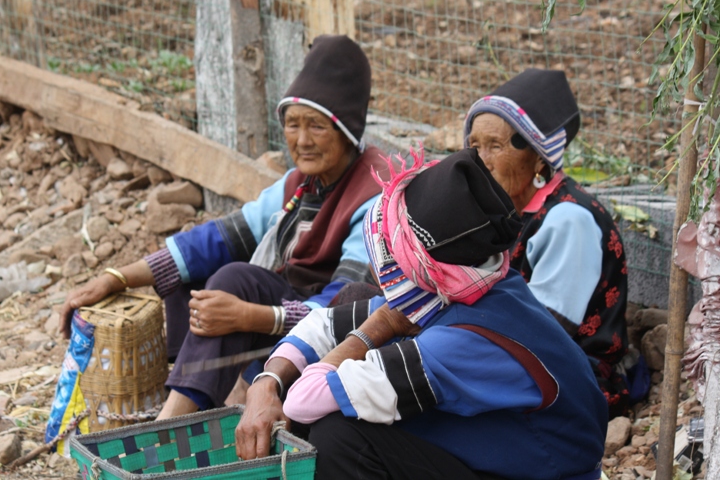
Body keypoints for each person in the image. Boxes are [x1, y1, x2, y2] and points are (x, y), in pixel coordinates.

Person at [58, 34, 388, 419]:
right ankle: (204, 401)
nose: (301, 140)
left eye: (316, 127)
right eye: (293, 124)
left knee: (234, 281)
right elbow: (213, 240)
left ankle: (172, 424)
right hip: (282, 325)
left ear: (346, 131)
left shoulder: (374, 194)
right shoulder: (299, 184)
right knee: (193, 277)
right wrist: (116, 278)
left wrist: (246, 315)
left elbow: (340, 308)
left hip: (332, 346)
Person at [236, 148, 608, 480]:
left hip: (544, 472)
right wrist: (266, 384)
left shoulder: (458, 343)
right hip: (500, 449)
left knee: (337, 436)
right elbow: (320, 324)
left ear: (417, 266)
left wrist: (371, 331)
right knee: (352, 302)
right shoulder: (470, 283)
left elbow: (304, 400)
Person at [463, 68, 634, 417]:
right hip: (515, 353)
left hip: (570, 378)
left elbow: (543, 333)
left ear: (539, 157)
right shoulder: (502, 210)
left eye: (496, 146)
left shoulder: (568, 220)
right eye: (474, 147)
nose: (480, 162)